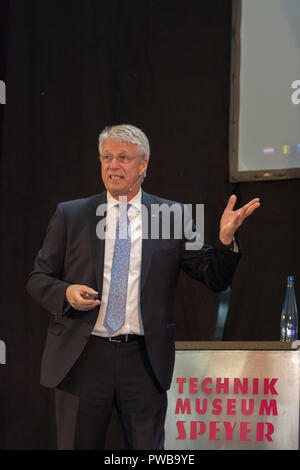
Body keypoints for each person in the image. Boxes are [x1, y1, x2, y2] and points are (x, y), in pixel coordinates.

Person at [27, 124, 260, 450]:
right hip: (83, 357)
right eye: (106, 157)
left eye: (123, 157)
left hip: (144, 361)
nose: (112, 165)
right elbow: (39, 278)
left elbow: (214, 277)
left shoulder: (175, 216)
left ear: (143, 164)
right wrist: (65, 293)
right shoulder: (72, 214)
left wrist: (224, 240)